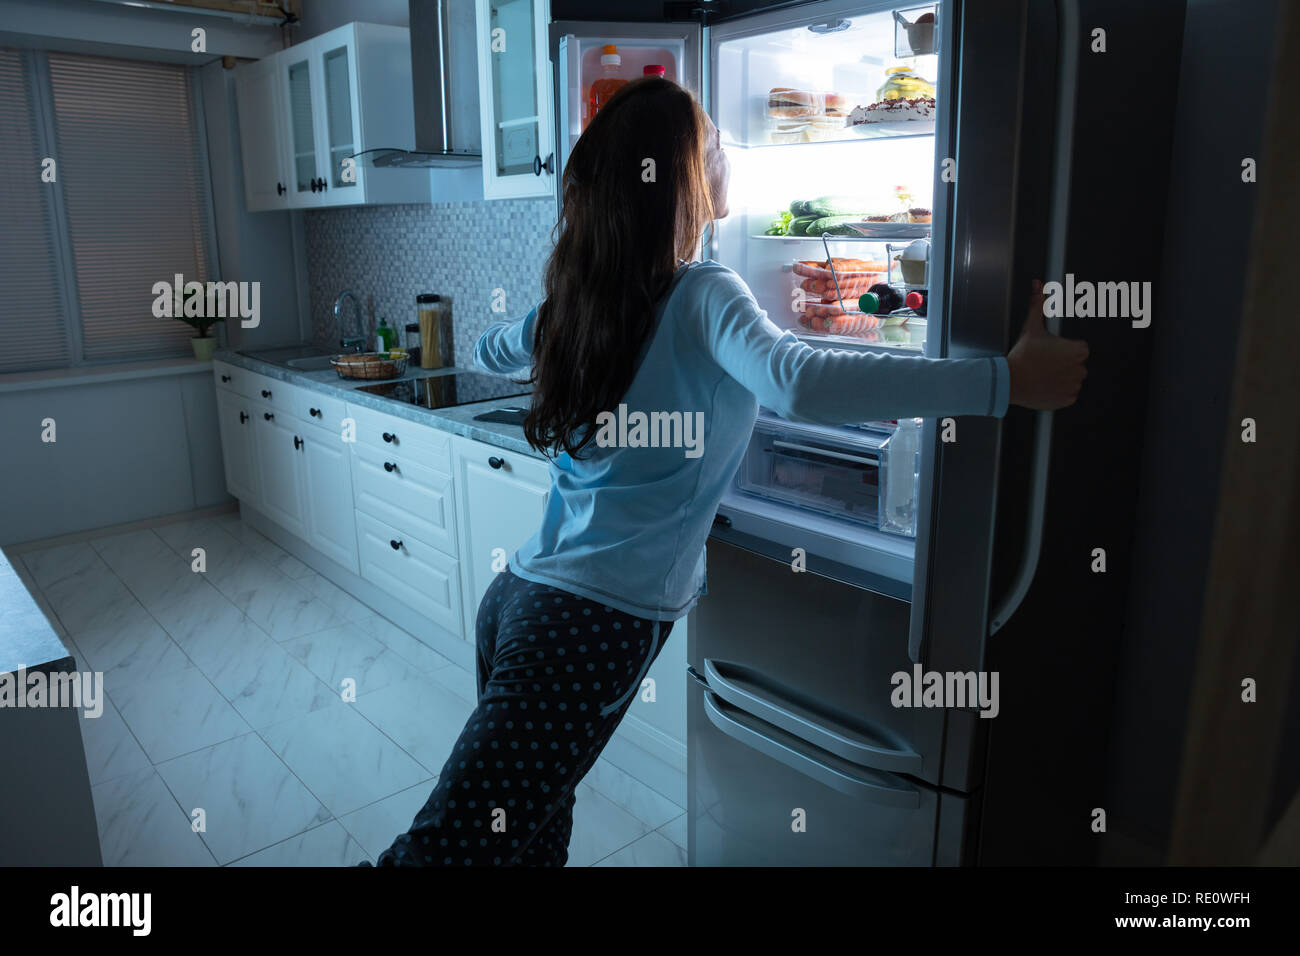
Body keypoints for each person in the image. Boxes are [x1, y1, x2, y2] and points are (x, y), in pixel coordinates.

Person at [364, 78, 1086, 867]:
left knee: (529, 833)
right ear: (678, 179)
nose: (725, 154)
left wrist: (546, 331)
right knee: (445, 853)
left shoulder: (580, 303)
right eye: (711, 143)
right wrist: (1002, 383)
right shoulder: (704, 293)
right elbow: (799, 380)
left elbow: (489, 349)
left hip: (518, 602)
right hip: (586, 628)